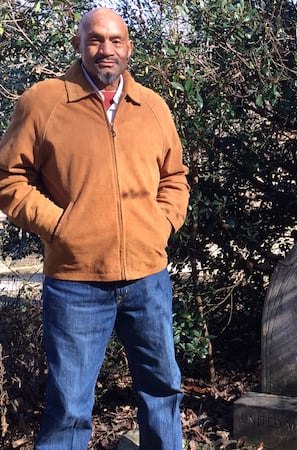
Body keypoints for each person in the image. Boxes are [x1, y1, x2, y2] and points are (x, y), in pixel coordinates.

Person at [0, 7, 189, 449]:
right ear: (78, 45)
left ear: (129, 48)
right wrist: (60, 226)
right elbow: (9, 178)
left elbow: (175, 177)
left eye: (116, 41)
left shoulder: (153, 107)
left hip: (148, 279)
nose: (107, 50)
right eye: (96, 40)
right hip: (75, 283)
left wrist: (161, 224)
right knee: (69, 408)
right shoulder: (44, 102)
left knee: (162, 392)